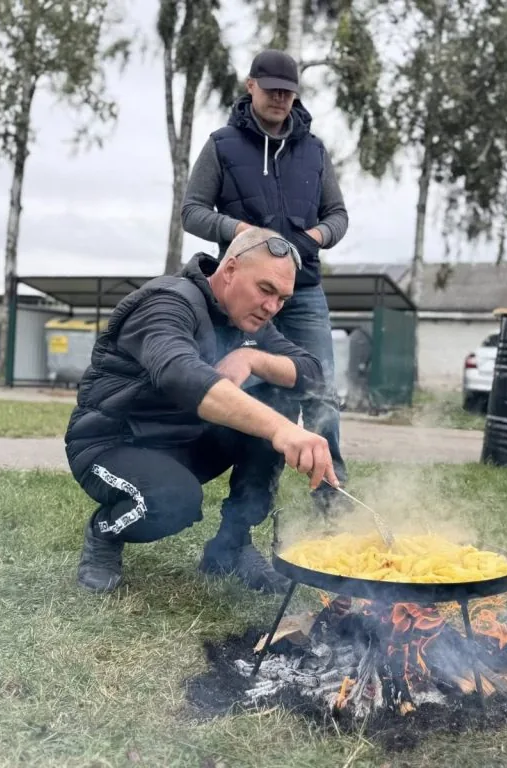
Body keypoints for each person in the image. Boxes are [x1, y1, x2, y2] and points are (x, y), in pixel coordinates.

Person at [65, 228, 339, 596]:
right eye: (266, 290)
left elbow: (312, 372)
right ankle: (105, 531)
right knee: (174, 501)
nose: (272, 306)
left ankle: (231, 545)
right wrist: (280, 431)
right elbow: (182, 375)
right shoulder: (166, 303)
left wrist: (252, 357)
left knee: (280, 395)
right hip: (114, 443)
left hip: (187, 442)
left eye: (282, 298)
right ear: (229, 270)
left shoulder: (248, 320)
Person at [180, 48, 349, 515]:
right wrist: (241, 232)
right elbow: (191, 211)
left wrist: (312, 238)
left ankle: (332, 496)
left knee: (321, 389)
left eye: (289, 91)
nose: (280, 97)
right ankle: (245, 504)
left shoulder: (313, 151)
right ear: (250, 84)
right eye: (272, 87)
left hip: (305, 290)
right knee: (256, 389)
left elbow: (338, 216)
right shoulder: (221, 145)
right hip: (246, 295)